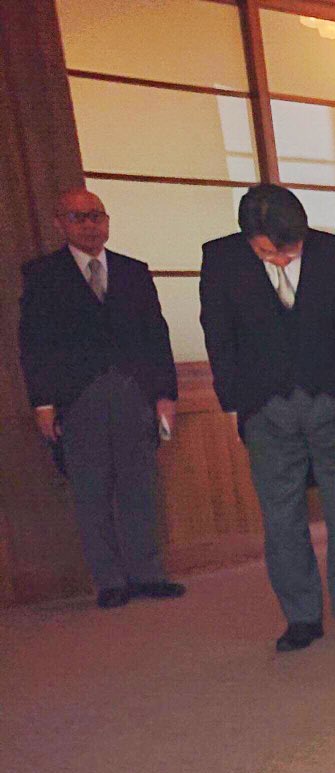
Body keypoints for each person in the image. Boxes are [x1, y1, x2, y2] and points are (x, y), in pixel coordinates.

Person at [200, 184, 335, 652]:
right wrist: (234, 401)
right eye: (268, 253)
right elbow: (218, 334)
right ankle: (301, 617)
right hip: (266, 407)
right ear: (248, 238)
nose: (281, 260)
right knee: (280, 516)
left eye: (290, 250)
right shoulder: (221, 259)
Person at [17, 188, 185, 609]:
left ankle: (148, 573)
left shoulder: (133, 271)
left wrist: (165, 394)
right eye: (78, 217)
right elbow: (34, 344)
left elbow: (157, 335)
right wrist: (43, 403)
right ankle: (110, 580)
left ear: (107, 221)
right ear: (60, 223)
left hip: (134, 391)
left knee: (139, 485)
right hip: (78, 396)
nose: (90, 225)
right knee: (91, 490)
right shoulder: (43, 275)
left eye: (97, 215)